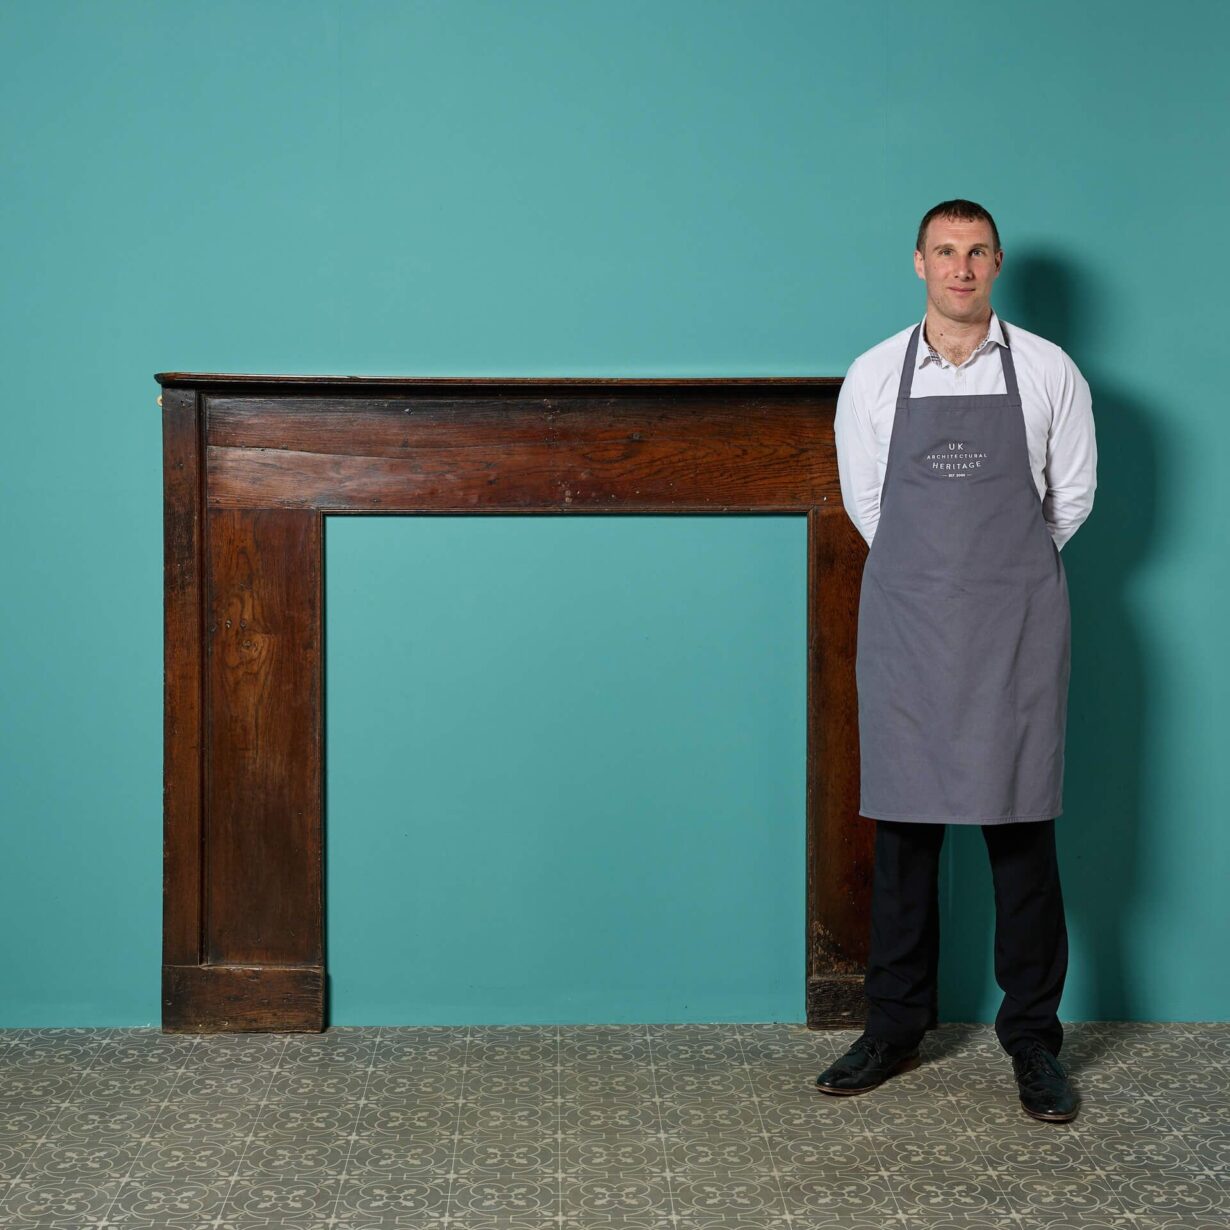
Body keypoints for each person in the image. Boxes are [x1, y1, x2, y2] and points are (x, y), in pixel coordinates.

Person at [817, 199, 1097, 1122]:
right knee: (904, 835)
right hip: (909, 623)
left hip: (1016, 627)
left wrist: (996, 574)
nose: (962, 268)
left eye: (977, 252)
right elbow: (868, 502)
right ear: (920, 263)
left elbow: (1070, 499)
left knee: (1021, 836)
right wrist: (934, 573)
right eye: (946, 251)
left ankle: (1033, 1041)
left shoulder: (1049, 370)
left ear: (997, 263)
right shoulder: (873, 374)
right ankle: (894, 1028)